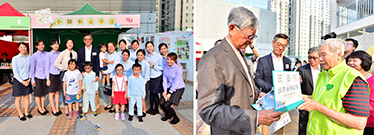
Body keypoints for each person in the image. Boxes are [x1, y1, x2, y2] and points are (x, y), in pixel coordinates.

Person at [197, 7, 282, 134]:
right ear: (232, 28)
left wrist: (258, 93)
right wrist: (256, 118)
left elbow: (243, 83)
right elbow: (208, 110)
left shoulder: (238, 53)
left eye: (253, 36)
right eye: (249, 36)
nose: (251, 41)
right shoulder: (212, 58)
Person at [298, 39, 370, 134]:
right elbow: (329, 100)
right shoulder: (323, 74)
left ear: (339, 55)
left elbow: (359, 123)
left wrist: (317, 106)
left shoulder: (353, 78)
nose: (320, 59)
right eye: (319, 55)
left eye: (323, 55)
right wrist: (307, 98)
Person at [346, 50, 374, 135]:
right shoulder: (347, 78)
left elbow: (372, 106)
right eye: (349, 61)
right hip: (349, 121)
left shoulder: (372, 80)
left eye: (355, 60)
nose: (350, 63)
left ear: (364, 62)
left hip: (368, 123)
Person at [298, 46, 321, 135]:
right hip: (306, 101)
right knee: (303, 124)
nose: (312, 60)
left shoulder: (325, 69)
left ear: (319, 58)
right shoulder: (303, 69)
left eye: (314, 58)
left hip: (320, 101)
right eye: (309, 57)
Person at [77, 33, 101, 114]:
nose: (88, 41)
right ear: (84, 41)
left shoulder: (96, 50)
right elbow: (78, 62)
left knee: (95, 89)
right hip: (85, 73)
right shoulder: (80, 50)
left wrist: (97, 74)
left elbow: (97, 63)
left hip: (93, 73)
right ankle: (85, 108)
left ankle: (96, 107)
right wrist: (82, 71)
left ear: (92, 40)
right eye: (86, 39)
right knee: (85, 89)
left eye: (89, 39)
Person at [54, 38, 78, 116]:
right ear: (66, 44)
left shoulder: (75, 53)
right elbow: (56, 63)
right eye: (68, 43)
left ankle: (73, 104)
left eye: (71, 43)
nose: (70, 44)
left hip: (73, 74)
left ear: (73, 44)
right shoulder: (63, 53)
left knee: (73, 89)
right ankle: (66, 106)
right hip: (65, 73)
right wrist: (65, 67)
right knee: (66, 90)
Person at [160, 52, 185, 124]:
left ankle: (176, 118)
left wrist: (170, 93)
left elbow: (176, 82)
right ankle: (168, 115)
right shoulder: (166, 67)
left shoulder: (178, 69)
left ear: (175, 60)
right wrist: (165, 90)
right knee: (161, 103)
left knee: (167, 105)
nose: (169, 61)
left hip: (179, 88)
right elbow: (164, 79)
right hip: (169, 87)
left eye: (171, 60)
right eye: (168, 59)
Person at [12, 42, 33, 121]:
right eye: (21, 47)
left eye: (24, 47)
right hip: (18, 80)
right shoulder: (15, 58)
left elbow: (31, 69)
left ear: (26, 48)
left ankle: (26, 112)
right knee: (18, 98)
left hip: (27, 79)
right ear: (18, 49)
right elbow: (15, 71)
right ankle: (20, 114)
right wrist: (22, 81)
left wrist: (29, 78)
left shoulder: (29, 58)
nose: (23, 49)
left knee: (27, 97)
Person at [30, 39, 49, 116]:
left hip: (45, 77)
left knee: (43, 93)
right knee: (38, 94)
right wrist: (32, 79)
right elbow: (32, 68)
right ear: (36, 46)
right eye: (39, 45)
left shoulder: (47, 54)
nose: (41, 46)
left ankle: (43, 107)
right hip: (38, 77)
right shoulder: (34, 56)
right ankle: (39, 108)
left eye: (42, 44)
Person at [145, 41, 164, 115]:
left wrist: (153, 66)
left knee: (155, 93)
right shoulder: (145, 56)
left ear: (153, 47)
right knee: (151, 94)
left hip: (157, 76)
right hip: (149, 77)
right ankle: (151, 108)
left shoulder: (158, 56)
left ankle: (156, 109)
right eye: (148, 46)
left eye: (151, 46)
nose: (149, 48)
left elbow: (161, 67)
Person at [103, 42, 121, 113]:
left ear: (115, 47)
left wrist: (105, 72)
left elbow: (114, 67)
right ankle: (110, 104)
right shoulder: (107, 55)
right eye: (109, 47)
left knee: (114, 92)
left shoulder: (117, 56)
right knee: (108, 91)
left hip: (113, 76)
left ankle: (114, 106)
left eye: (112, 46)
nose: (110, 48)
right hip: (107, 76)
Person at [46, 39, 62, 116]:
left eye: (57, 44)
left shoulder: (61, 53)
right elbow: (46, 67)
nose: (56, 45)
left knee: (57, 92)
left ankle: (57, 107)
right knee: (51, 93)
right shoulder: (48, 55)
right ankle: (53, 109)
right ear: (51, 46)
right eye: (54, 44)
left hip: (58, 75)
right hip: (51, 75)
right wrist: (48, 79)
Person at [135, 49, 150, 117]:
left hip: (144, 83)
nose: (139, 56)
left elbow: (146, 76)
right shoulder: (135, 63)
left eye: (141, 55)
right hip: (136, 82)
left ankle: (144, 110)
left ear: (144, 56)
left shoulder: (146, 64)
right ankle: (137, 109)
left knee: (142, 97)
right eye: (138, 55)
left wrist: (141, 84)